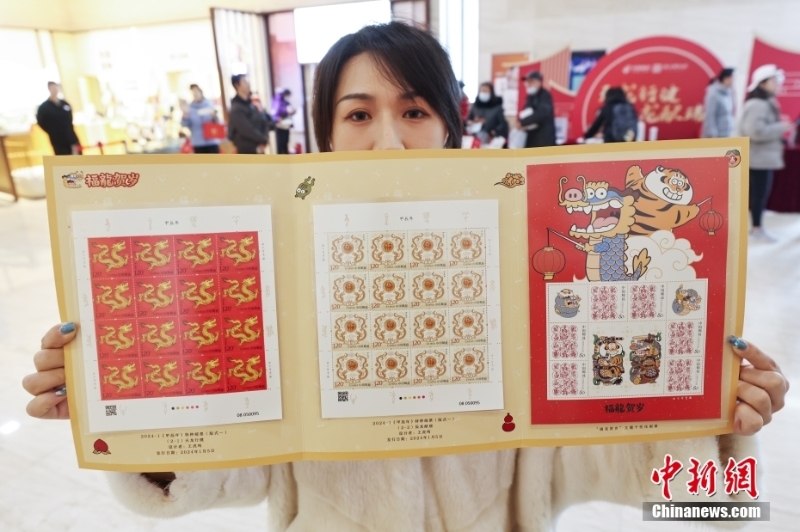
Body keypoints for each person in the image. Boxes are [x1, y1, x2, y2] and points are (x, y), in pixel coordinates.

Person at [23, 22, 789, 532]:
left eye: (414, 110)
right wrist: (123, 399)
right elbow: (224, 471)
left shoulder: (519, 256)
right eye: (358, 115)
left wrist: (716, 418)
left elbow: (634, 474)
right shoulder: (284, 268)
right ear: (325, 134)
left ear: (451, 127)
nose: (388, 140)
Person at [736, 64, 792, 242]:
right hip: (757, 158)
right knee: (759, 195)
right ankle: (757, 228)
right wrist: (781, 127)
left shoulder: (762, 103)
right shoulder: (758, 105)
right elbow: (755, 131)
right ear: (762, 83)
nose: (777, 83)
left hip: (759, 157)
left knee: (758, 194)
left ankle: (756, 226)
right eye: (774, 80)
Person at [228, 74, 274, 154]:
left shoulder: (252, 104)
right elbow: (246, 130)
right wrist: (263, 139)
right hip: (247, 150)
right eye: (245, 82)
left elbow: (264, 120)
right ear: (237, 85)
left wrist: (265, 139)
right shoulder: (236, 108)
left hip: (259, 147)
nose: (248, 84)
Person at [36, 82, 80, 156]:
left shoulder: (64, 104)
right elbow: (41, 122)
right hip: (57, 139)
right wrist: (52, 131)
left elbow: (70, 117)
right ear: (49, 89)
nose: (55, 90)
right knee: (63, 158)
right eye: (52, 88)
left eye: (56, 87)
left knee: (77, 155)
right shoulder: (44, 108)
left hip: (70, 135)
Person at [519, 71, 556, 148]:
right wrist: (520, 122)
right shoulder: (530, 97)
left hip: (544, 141)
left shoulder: (545, 95)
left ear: (538, 82)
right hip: (532, 139)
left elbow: (541, 114)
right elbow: (526, 111)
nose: (528, 84)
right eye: (527, 82)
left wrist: (523, 122)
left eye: (531, 82)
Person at [180, 84, 221, 154]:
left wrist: (214, 117)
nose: (195, 94)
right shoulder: (189, 108)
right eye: (193, 93)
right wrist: (185, 115)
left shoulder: (209, 105)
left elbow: (218, 122)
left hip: (212, 141)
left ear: (201, 92)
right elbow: (185, 124)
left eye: (197, 92)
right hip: (198, 142)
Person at [702, 68, 736, 138]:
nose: (733, 81)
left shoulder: (728, 93)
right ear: (726, 78)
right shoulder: (713, 93)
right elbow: (710, 115)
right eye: (732, 78)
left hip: (726, 132)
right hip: (716, 134)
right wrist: (712, 133)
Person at [271, 88, 296, 155]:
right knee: (281, 144)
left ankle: (286, 158)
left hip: (286, 125)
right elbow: (278, 110)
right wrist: (287, 112)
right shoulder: (278, 99)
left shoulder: (285, 101)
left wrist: (292, 111)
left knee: (285, 142)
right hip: (280, 125)